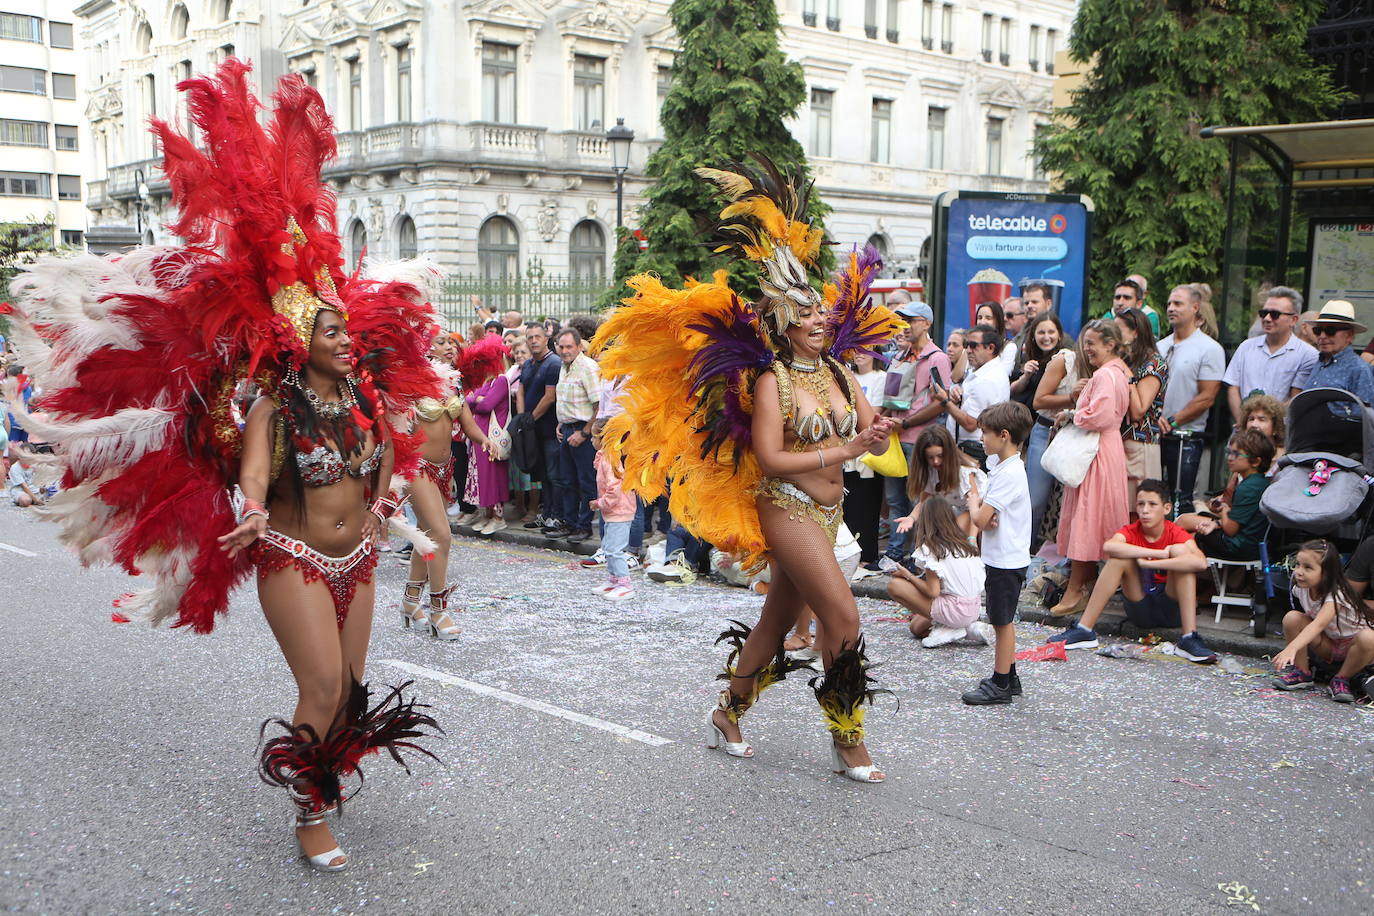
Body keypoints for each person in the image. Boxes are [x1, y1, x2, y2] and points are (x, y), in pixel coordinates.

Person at [9, 61, 441, 872]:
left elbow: (389, 458)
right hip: (295, 556)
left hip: (359, 559)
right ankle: (309, 812)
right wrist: (247, 509)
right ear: (299, 338)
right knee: (320, 692)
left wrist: (386, 505)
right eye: (331, 332)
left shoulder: (365, 394)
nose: (348, 338)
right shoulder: (276, 404)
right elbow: (251, 471)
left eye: (349, 329)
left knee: (350, 689)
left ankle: (329, 772)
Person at [595, 175, 902, 781]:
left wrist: (880, 434)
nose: (818, 319)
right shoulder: (773, 381)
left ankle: (728, 711)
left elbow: (874, 432)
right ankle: (847, 735)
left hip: (832, 509)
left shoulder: (840, 372)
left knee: (778, 622)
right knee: (842, 617)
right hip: (785, 505)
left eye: (820, 310)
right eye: (805, 312)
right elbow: (771, 460)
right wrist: (842, 448)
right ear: (783, 322)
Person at [1046, 480, 1216, 662]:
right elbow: (1109, 546)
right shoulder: (1132, 530)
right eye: (1141, 504)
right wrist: (1157, 553)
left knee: (1183, 555)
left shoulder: (1175, 532)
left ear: (1166, 508)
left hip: (1171, 607)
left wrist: (1153, 563)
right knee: (1119, 558)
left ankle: (1189, 637)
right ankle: (1084, 630)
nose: (1145, 510)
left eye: (1152, 504)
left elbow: (1200, 562)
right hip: (1140, 607)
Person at [401, 333, 492, 639]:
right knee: (441, 534)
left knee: (427, 535)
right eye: (442, 342)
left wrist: (486, 441)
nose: (450, 347)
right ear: (425, 346)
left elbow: (467, 423)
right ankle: (439, 610)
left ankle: (410, 602)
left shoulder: (453, 383)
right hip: (417, 467)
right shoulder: (411, 379)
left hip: (444, 469)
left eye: (452, 343)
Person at [1050, 320, 1131, 616]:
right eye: (1085, 342)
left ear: (1110, 344)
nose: (1087, 349)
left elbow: (1098, 416)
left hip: (1096, 451)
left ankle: (1076, 589)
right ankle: (1082, 584)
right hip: (1104, 449)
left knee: (1087, 519)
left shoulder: (1107, 376)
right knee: (1091, 519)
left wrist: (1073, 415)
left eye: (1092, 343)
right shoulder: (1115, 373)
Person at [960, 401, 1034, 705]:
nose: (982, 439)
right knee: (1001, 618)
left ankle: (1001, 683)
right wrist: (984, 511)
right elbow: (989, 519)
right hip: (1003, 555)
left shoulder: (1009, 473)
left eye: (986, 433)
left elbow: (979, 519)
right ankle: (1009, 674)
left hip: (1006, 559)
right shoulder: (1005, 468)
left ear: (1004, 435)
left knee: (1001, 623)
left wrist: (973, 498)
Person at [880, 301, 952, 564]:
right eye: (902, 321)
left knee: (917, 499)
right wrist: (884, 422)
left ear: (926, 323)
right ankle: (895, 553)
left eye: (910, 320)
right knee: (895, 499)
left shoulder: (937, 358)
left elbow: (941, 401)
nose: (905, 326)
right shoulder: (899, 356)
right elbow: (890, 397)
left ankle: (918, 553)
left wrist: (906, 424)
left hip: (919, 439)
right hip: (895, 438)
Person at [1272, 539, 1374, 702]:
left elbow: (1319, 623)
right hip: (1330, 644)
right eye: (1297, 565)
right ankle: (1302, 673)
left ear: (1326, 573)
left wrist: (1291, 647)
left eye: (1307, 567)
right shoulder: (1301, 589)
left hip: (1355, 648)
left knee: (1369, 637)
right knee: (1292, 618)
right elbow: (1307, 622)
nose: (1298, 571)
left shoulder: (1337, 594)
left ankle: (1341, 679)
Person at [886, 494, 989, 648]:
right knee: (917, 628)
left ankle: (956, 627)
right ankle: (968, 629)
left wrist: (908, 576)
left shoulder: (931, 548)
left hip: (955, 608)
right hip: (973, 607)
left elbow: (932, 592)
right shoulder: (964, 544)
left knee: (895, 585)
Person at [1157, 284, 1225, 509]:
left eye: (1178, 303)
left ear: (1195, 307)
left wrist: (1173, 420)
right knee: (1153, 496)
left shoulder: (1209, 348)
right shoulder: (1159, 346)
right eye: (1168, 304)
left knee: (1181, 500)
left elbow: (1208, 396)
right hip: (1155, 433)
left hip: (1186, 436)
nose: (1171, 308)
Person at [1174, 429, 1273, 561]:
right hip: (1250, 545)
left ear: (1255, 462)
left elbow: (1231, 529)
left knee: (1186, 536)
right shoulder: (1258, 482)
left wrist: (1224, 510)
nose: (1230, 458)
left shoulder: (1248, 487)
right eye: (1229, 453)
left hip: (1238, 547)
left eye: (1236, 454)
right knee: (1185, 531)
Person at [1222, 287, 1317, 422]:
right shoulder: (1246, 347)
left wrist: (1265, 424)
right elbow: (1233, 388)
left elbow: (1297, 398)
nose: (1267, 318)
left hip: (1281, 434)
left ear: (1294, 320)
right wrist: (1243, 423)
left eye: (1275, 314)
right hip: (1243, 433)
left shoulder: (1308, 355)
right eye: (1263, 313)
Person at [1028, 318, 1083, 549]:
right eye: (1041, 332)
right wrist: (1072, 397)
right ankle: (1023, 556)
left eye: (1051, 332)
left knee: (1063, 506)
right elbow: (1038, 401)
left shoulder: (1107, 368)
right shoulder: (1065, 359)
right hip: (1045, 430)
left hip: (1075, 435)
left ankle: (1049, 558)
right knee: (1035, 501)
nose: (1046, 337)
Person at [932, 323, 1010, 466]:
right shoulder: (984, 370)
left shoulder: (986, 379)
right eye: (967, 344)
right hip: (973, 449)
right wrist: (959, 397)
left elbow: (971, 424)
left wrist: (945, 402)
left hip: (972, 450)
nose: (967, 350)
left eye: (973, 345)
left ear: (990, 348)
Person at [553, 327, 601, 541]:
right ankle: (569, 523)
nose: (564, 351)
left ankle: (584, 526)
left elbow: (599, 405)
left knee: (586, 482)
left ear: (579, 347)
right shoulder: (564, 367)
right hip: (566, 430)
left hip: (583, 432)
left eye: (569, 346)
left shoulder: (588, 368)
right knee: (567, 481)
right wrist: (560, 424)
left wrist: (584, 432)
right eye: (561, 347)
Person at [1115, 307, 1167, 503]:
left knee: (1138, 511)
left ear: (1135, 332)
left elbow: (1138, 410)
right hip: (1121, 443)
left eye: (1118, 330)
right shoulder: (1129, 359)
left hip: (1140, 444)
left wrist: (1126, 375)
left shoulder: (1153, 363)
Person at [895, 424, 984, 538]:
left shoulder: (964, 471)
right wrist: (911, 518)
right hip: (959, 510)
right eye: (930, 457)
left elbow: (975, 506)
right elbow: (923, 502)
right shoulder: (930, 472)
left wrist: (972, 539)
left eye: (940, 456)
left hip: (980, 512)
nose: (936, 461)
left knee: (954, 534)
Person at [843, 351, 888, 572]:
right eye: (856, 351)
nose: (860, 355)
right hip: (845, 447)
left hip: (867, 449)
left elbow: (872, 414)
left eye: (865, 351)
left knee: (866, 502)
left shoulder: (880, 377)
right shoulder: (846, 374)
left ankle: (867, 553)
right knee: (848, 502)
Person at [463, 337, 512, 536]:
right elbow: (471, 400)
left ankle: (498, 517)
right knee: (482, 476)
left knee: (493, 476)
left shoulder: (501, 380)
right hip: (480, 435)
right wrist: (477, 399)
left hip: (491, 436)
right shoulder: (489, 381)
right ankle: (489, 514)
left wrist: (476, 400)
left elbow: (484, 405)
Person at [519, 323, 564, 533]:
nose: (534, 340)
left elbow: (550, 396)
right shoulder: (528, 364)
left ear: (546, 339)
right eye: (530, 337)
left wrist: (531, 418)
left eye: (538, 336)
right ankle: (546, 514)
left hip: (549, 430)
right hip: (533, 431)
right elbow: (521, 390)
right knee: (542, 475)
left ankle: (556, 516)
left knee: (555, 474)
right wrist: (522, 418)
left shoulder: (553, 363)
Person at [589, 419, 636, 601]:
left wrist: (601, 503)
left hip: (620, 510)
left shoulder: (611, 460)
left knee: (615, 549)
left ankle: (625, 584)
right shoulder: (605, 457)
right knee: (608, 547)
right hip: (613, 511)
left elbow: (615, 488)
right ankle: (614, 579)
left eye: (595, 437)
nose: (591, 440)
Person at [1302, 300, 1374, 407]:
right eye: (1317, 330)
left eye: (1330, 330)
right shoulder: (1320, 362)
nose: (1322, 336)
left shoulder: (1359, 369)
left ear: (1349, 335)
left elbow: (1365, 414)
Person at [1238, 393, 1286, 470]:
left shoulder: (1284, 460)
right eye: (1251, 419)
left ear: (1275, 427)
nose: (1254, 424)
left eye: (1261, 419)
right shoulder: (1240, 456)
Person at [974, 301, 1016, 376]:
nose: (982, 322)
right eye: (979, 318)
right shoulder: (972, 345)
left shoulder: (1009, 347)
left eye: (988, 318)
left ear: (998, 321)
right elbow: (957, 377)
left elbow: (1003, 374)